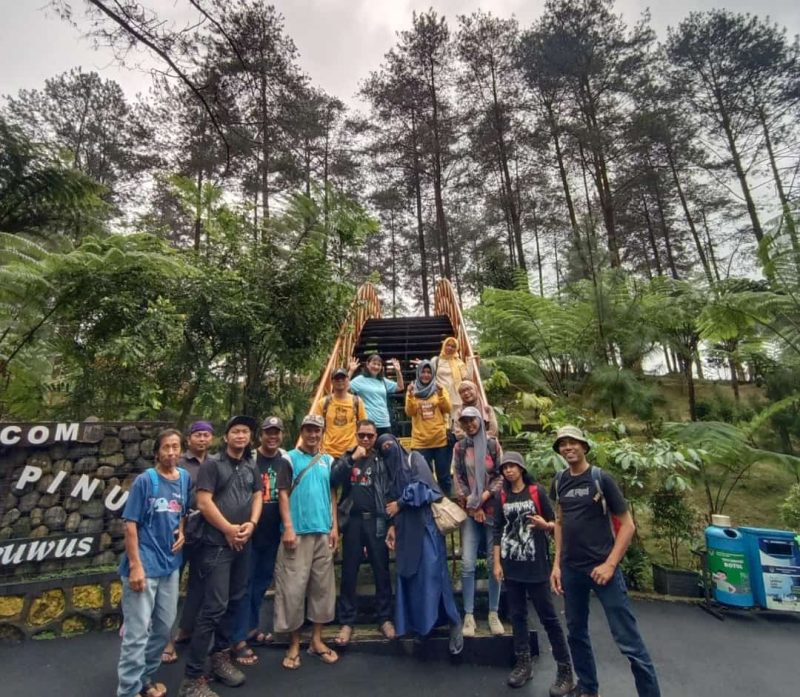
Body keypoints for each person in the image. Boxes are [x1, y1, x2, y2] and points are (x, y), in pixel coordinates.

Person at [550, 426, 661, 697]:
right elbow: (560, 523)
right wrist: (556, 565)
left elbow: (627, 526)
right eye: (563, 444)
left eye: (573, 442)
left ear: (584, 446)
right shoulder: (559, 480)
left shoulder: (601, 478)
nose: (568, 448)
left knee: (628, 639)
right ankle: (589, 689)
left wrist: (610, 564)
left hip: (603, 569)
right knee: (576, 633)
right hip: (571, 569)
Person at [178, 416, 262, 697]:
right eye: (235, 431)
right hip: (216, 545)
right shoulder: (213, 464)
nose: (240, 436)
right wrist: (227, 529)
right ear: (226, 437)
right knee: (213, 607)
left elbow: (258, 495)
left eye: (245, 431)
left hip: (243, 543)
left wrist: (251, 525)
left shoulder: (251, 464)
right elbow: (203, 502)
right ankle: (192, 678)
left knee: (235, 601)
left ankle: (220, 658)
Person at [492, 451, 574, 694]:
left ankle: (565, 668)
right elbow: (497, 530)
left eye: (512, 466)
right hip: (511, 564)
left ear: (521, 469)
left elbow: (555, 525)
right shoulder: (502, 495)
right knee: (517, 616)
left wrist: (544, 525)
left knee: (549, 617)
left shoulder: (536, 492)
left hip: (535, 565)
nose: (508, 470)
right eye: (504, 467)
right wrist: (496, 563)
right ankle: (523, 663)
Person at [116, 429, 188, 697]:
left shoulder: (183, 479)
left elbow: (181, 512)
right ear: (157, 451)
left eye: (176, 447)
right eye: (166, 447)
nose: (171, 452)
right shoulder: (146, 481)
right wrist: (135, 566)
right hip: (144, 566)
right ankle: (128, 690)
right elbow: (130, 525)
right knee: (137, 633)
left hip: (169, 565)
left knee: (163, 626)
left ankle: (144, 679)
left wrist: (182, 530)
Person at [381, 434, 463, 655]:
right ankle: (422, 625)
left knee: (433, 573)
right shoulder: (387, 473)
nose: (388, 449)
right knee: (412, 577)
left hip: (425, 524)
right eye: (383, 448)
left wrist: (400, 502)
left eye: (390, 445)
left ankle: (454, 622)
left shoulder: (415, 458)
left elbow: (425, 488)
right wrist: (392, 525)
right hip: (404, 529)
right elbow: (387, 503)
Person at [273, 414, 339, 670]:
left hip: (322, 530)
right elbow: (282, 494)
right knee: (293, 588)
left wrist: (334, 526)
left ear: (322, 432)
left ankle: (317, 639)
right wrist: (288, 527)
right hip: (297, 533)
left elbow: (333, 494)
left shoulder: (328, 460)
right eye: (309, 430)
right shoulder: (288, 459)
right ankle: (293, 643)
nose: (313, 435)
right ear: (302, 431)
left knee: (322, 588)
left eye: (317, 430)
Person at [231, 416, 290, 662]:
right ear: (261, 435)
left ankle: (251, 628)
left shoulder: (285, 461)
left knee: (260, 585)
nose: (272, 437)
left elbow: (286, 495)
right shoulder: (249, 459)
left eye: (276, 432)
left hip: (272, 533)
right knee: (242, 586)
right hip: (250, 532)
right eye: (268, 432)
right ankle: (237, 638)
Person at [331, 418, 394, 646]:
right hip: (353, 522)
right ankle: (347, 620)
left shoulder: (381, 459)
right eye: (362, 435)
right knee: (349, 572)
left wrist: (391, 523)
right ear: (356, 435)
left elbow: (389, 490)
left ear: (375, 437)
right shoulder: (348, 457)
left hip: (376, 520)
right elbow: (333, 478)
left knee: (381, 569)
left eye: (370, 435)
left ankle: (384, 617)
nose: (366, 439)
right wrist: (351, 459)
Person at [164, 420, 215, 664]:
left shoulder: (215, 463)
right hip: (179, 533)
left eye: (206, 435)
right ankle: (165, 639)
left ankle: (186, 629)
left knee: (199, 585)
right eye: (198, 435)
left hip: (207, 534)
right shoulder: (180, 463)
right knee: (170, 586)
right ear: (189, 438)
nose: (202, 439)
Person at [452, 406, 504, 637]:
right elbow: (459, 478)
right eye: (465, 421)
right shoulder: (460, 447)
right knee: (468, 563)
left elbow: (502, 474)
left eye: (472, 420)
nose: (469, 425)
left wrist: (485, 496)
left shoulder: (492, 445)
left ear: (480, 421)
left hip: (492, 509)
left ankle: (493, 613)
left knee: (495, 563)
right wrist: (472, 505)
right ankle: (469, 615)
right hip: (472, 512)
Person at [405, 359, 452, 494]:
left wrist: (441, 393)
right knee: (425, 477)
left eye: (428, 372)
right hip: (420, 442)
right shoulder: (413, 390)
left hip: (440, 441)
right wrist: (410, 396)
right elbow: (410, 412)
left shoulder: (439, 389)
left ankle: (447, 505)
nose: (425, 375)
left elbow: (447, 408)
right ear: (418, 373)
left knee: (444, 477)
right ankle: (430, 507)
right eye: (423, 372)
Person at [313, 367, 367, 458]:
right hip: (327, 453)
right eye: (337, 378)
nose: (340, 381)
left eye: (343, 378)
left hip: (351, 452)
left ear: (348, 380)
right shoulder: (323, 403)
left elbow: (364, 426)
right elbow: (316, 427)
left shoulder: (357, 401)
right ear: (332, 382)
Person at [348, 354, 404, 436]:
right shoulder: (360, 379)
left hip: (384, 423)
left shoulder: (383, 381)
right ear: (367, 364)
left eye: (379, 364)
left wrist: (398, 371)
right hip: (368, 424)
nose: (376, 366)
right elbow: (344, 387)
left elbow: (400, 387)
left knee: (386, 447)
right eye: (374, 363)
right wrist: (351, 371)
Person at [432, 337, 472, 424]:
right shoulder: (436, 361)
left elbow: (467, 378)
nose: (450, 348)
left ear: (456, 349)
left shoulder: (459, 362)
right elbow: (431, 377)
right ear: (444, 345)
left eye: (453, 346)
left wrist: (471, 362)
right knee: (441, 422)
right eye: (448, 345)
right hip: (441, 395)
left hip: (456, 396)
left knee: (456, 422)